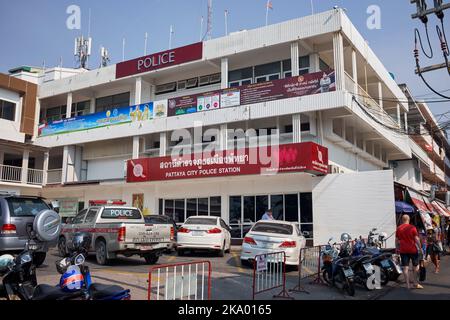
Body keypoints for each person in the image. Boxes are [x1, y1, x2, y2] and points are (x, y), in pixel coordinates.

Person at [395, 214, 423, 289]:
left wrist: (397, 249)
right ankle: (415, 283)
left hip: (403, 250)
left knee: (405, 267)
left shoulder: (399, 228)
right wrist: (420, 248)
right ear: (409, 219)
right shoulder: (412, 227)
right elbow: (416, 239)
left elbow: (397, 240)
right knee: (416, 266)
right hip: (412, 249)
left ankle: (407, 285)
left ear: (402, 220)